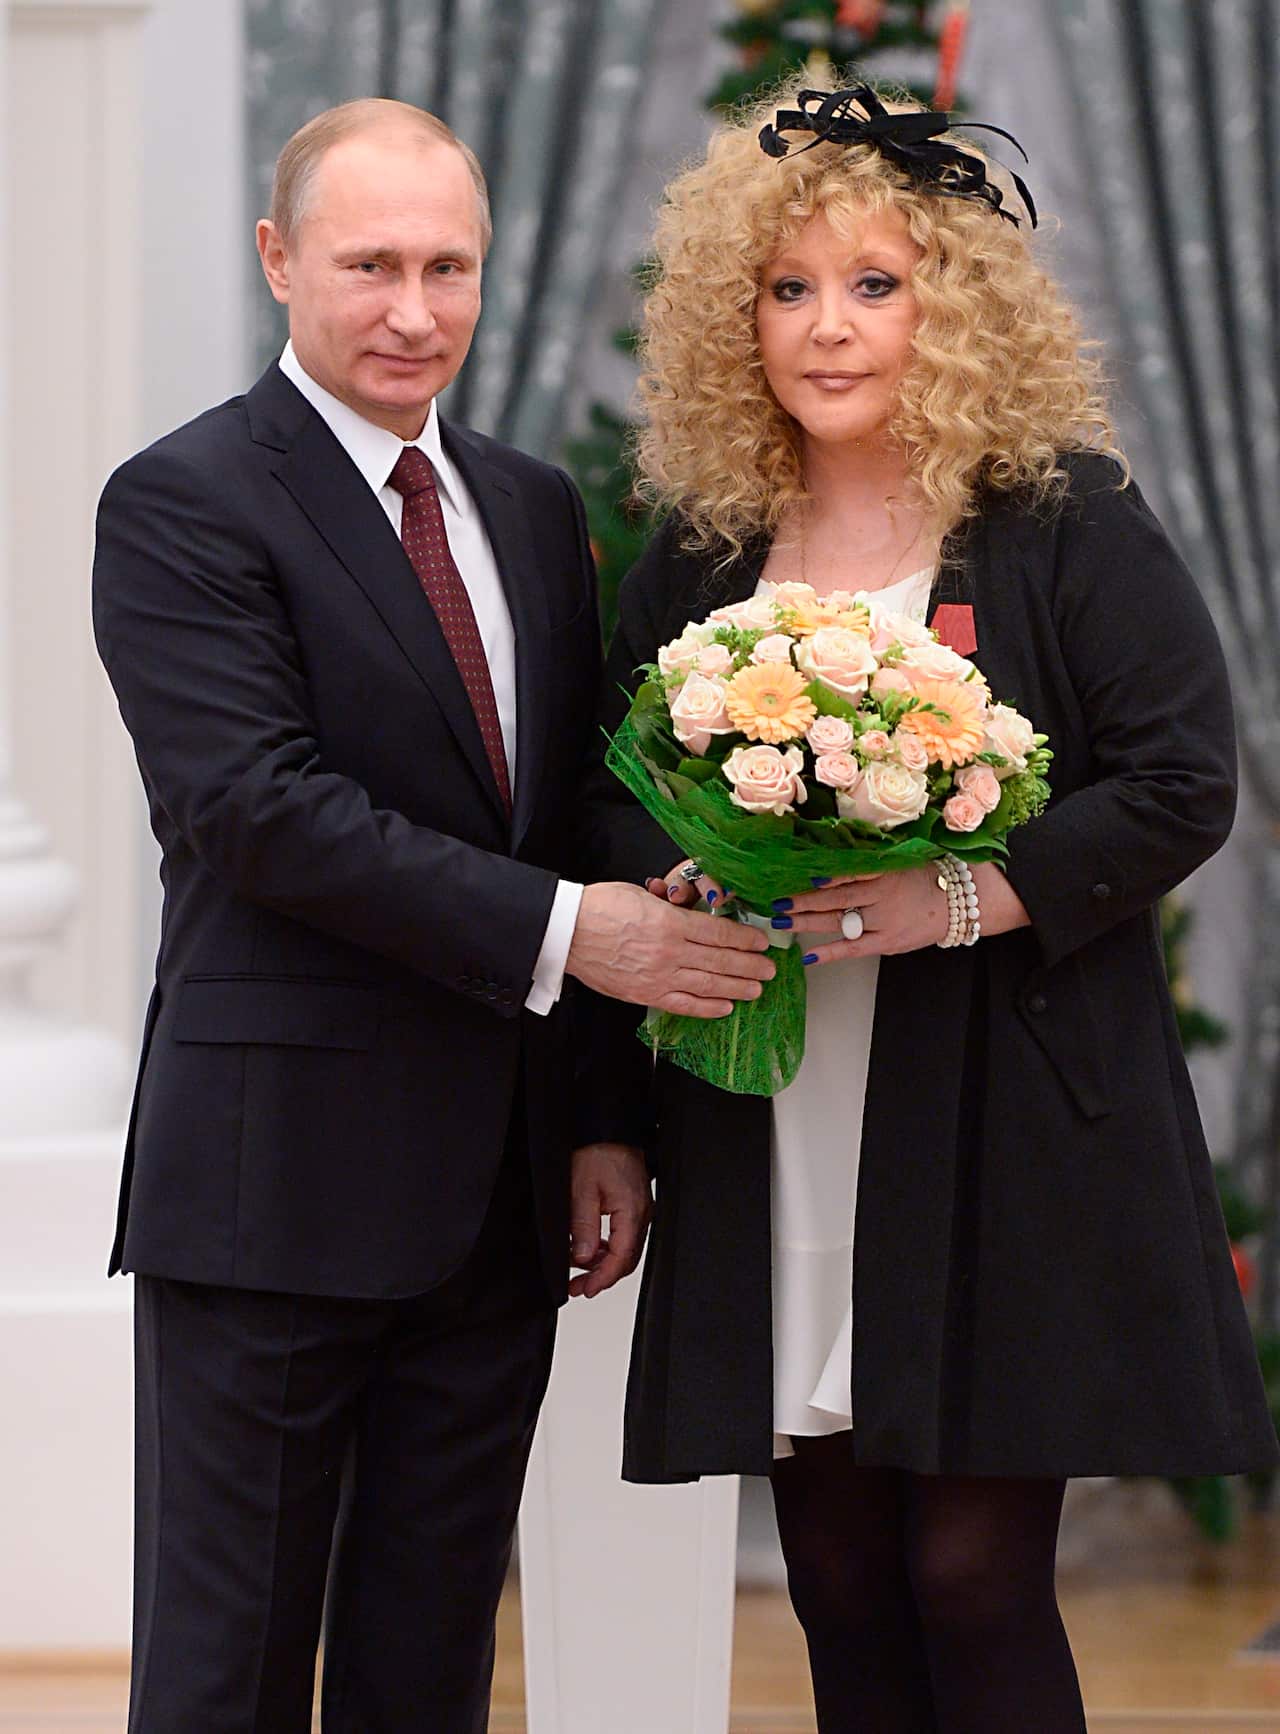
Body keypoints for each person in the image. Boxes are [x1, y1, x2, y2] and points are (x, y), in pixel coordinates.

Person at [588, 80, 1280, 1732]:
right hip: (775, 1106)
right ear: (730, 315)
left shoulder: (1063, 521)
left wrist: (957, 895)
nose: (830, 330)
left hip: (999, 1116)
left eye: (875, 286)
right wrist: (684, 864)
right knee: (834, 1568)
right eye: (789, 289)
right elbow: (608, 778)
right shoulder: (702, 550)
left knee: (971, 1572)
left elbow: (1184, 779)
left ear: (952, 306)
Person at [91, 97, 773, 1733]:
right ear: (279, 262)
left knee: (430, 1663)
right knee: (226, 1670)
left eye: (448, 266)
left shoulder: (533, 504)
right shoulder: (182, 500)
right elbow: (257, 810)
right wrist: (572, 932)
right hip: (272, 1197)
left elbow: (566, 807)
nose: (415, 310)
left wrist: (606, 1108)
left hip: (497, 1197)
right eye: (371, 265)